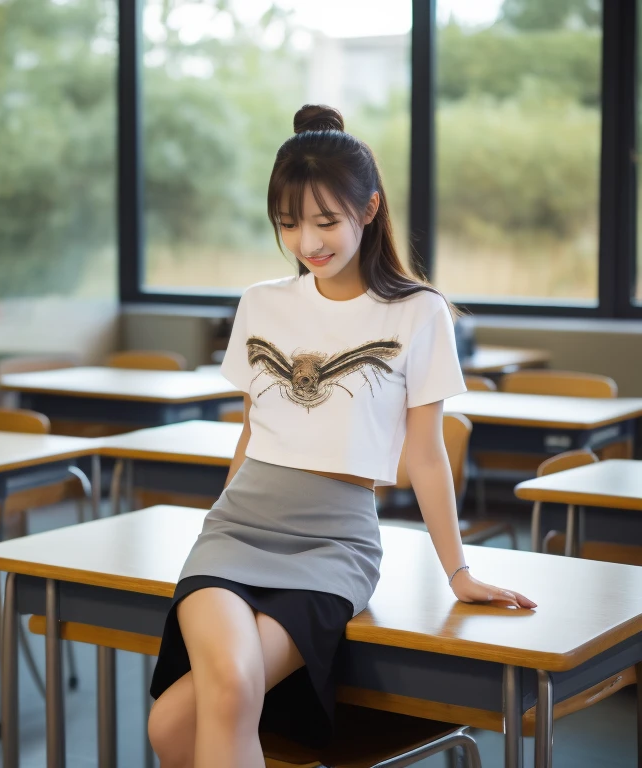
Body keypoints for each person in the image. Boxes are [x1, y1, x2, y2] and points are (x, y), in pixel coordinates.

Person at [147, 103, 536, 768]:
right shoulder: (261, 304)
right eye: (289, 224)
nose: (308, 243)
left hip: (334, 544)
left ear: (370, 208)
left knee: (210, 701)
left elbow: (427, 454)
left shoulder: (419, 313)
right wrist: (218, 515)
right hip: (237, 530)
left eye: (325, 221)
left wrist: (459, 570)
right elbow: (252, 430)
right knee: (173, 722)